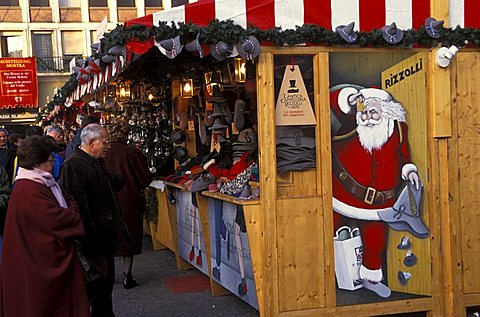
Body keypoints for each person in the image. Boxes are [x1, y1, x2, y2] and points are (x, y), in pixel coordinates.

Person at [330, 86, 420, 298]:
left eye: (373, 112)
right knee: (324, 231)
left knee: (375, 241)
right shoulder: (352, 125)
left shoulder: (397, 130)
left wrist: (410, 171)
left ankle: (371, 278)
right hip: (341, 195)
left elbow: (403, 154)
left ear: (385, 112)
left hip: (378, 204)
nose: (368, 117)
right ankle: (318, 275)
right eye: (364, 112)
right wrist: (351, 98)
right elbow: (334, 101)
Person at [0, 135, 89, 317]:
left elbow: (67, 199)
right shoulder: (30, 190)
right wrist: (73, 211)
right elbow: (59, 219)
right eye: (50, 161)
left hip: (39, 261)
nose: (53, 165)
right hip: (38, 267)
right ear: (37, 163)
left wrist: (70, 206)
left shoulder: (40, 183)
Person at [60, 123, 130, 317]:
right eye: (105, 142)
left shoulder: (93, 161)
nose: (108, 146)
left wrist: (113, 181)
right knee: (98, 281)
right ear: (91, 142)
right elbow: (78, 205)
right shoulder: (74, 165)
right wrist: (88, 236)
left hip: (103, 233)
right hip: (93, 237)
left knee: (105, 281)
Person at [104, 119, 152, 289]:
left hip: (106, 200)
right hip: (129, 200)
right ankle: (127, 275)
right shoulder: (132, 152)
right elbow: (145, 178)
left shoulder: (103, 153)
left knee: (108, 238)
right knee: (129, 238)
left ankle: (108, 275)